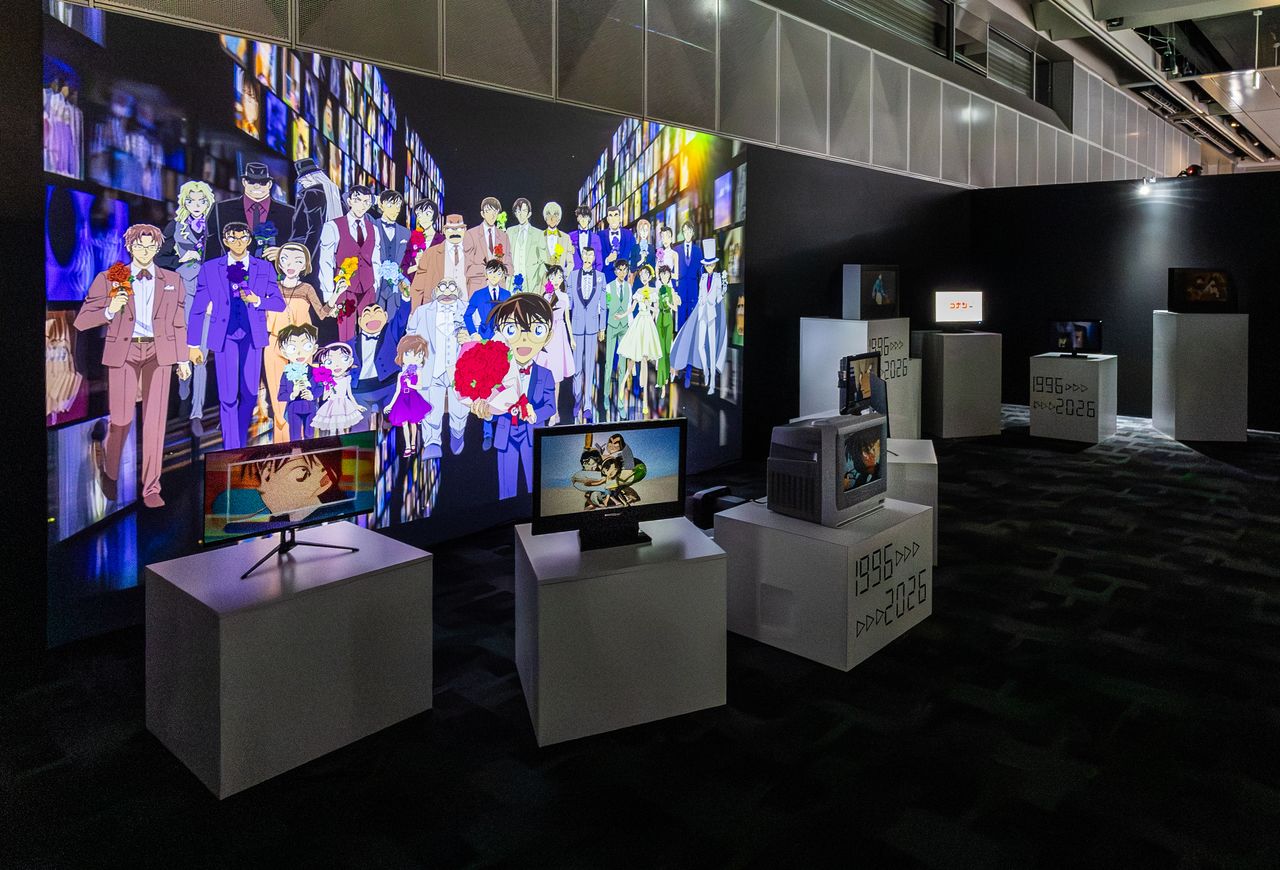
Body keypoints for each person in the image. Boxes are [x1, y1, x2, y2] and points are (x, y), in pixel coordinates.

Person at [73, 223, 191, 508]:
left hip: (159, 352)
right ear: (129, 247)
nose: (145, 251)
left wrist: (183, 357)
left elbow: (178, 323)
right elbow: (82, 320)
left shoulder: (173, 280)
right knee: (122, 419)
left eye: (151, 246)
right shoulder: (110, 278)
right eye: (139, 245)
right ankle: (110, 472)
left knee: (155, 422)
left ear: (158, 247)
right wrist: (109, 310)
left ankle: (151, 488)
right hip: (123, 351)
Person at [188, 221, 286, 450]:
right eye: (233, 238)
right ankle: (232, 448)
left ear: (249, 240)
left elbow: (279, 303)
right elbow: (198, 308)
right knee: (228, 396)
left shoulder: (264, 268)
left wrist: (258, 300)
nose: (238, 242)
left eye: (242, 238)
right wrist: (193, 344)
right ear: (225, 241)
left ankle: (239, 441)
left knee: (250, 394)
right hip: (225, 337)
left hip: (253, 336)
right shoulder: (210, 268)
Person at [468, 294, 557, 500]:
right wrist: (487, 413)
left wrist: (535, 413)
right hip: (505, 436)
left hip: (532, 437)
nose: (523, 339)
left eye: (536, 330)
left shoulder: (545, 374)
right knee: (506, 491)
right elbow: (494, 407)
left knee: (535, 490)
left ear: (548, 335)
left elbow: (551, 406)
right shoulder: (496, 373)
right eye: (511, 330)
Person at [158, 180, 214, 432]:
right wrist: (181, 258)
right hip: (181, 291)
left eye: (201, 201)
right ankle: (183, 392)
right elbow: (159, 258)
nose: (196, 205)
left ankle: (196, 413)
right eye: (191, 201)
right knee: (183, 350)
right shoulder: (175, 226)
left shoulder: (215, 227)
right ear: (184, 202)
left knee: (200, 353)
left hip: (207, 292)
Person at [264, 242, 331, 442]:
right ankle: (282, 444)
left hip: (303, 347)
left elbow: (322, 313)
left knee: (304, 394)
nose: (291, 265)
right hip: (275, 343)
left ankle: (305, 443)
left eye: (298, 261)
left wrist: (336, 295)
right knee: (279, 396)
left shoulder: (307, 289)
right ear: (279, 262)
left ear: (305, 265)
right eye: (285, 259)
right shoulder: (271, 287)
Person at [217, 441, 353, 535]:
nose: (262, 487)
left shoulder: (331, 516)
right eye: (263, 472)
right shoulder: (275, 518)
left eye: (301, 474)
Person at [405, 279, 470, 458]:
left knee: (460, 409)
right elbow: (410, 336)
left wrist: (470, 337)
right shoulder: (422, 312)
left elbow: (480, 333)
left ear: (458, 291)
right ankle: (432, 442)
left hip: (460, 371)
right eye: (442, 287)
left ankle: (458, 432)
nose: (447, 291)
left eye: (451, 287)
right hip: (431, 369)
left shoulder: (468, 310)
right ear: (435, 291)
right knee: (431, 409)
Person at [317, 185, 383, 341]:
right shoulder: (333, 226)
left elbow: (375, 259)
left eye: (366, 202)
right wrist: (329, 295)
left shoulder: (373, 229)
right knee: (346, 331)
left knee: (370, 327)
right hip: (344, 287)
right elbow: (325, 261)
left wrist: (375, 284)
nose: (362, 205)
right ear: (349, 201)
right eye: (358, 200)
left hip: (368, 286)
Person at [669, 239, 727, 395]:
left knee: (712, 349)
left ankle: (712, 383)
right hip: (701, 314)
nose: (709, 267)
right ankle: (706, 372)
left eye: (711, 265)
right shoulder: (702, 279)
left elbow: (718, 298)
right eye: (707, 265)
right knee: (700, 346)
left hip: (712, 315)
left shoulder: (717, 278)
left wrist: (724, 287)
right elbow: (701, 296)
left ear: (715, 265)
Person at [207, 162, 293, 261]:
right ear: (244, 182)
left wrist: (285, 253)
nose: (256, 186)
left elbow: (302, 245)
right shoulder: (221, 209)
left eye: (262, 182)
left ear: (269, 184)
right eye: (251, 182)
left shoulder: (289, 213)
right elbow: (211, 247)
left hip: (273, 269)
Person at [616, 265, 662, 416]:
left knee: (644, 360)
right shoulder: (638, 291)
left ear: (650, 276)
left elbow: (657, 310)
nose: (643, 277)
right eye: (641, 275)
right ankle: (623, 384)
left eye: (646, 274)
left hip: (647, 324)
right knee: (632, 358)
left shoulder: (654, 291)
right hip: (639, 322)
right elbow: (632, 308)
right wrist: (622, 316)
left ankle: (645, 401)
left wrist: (650, 307)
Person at [568, 245, 607, 423]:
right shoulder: (572, 275)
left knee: (590, 367)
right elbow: (569, 302)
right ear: (582, 256)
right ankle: (577, 399)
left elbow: (603, 305)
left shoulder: (601, 277)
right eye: (586, 254)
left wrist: (602, 328)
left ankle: (588, 405)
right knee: (577, 368)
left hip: (592, 327)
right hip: (576, 326)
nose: (588, 257)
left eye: (591, 255)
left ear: (594, 257)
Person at [535, 265, 575, 425]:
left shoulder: (564, 296)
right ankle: (544, 408)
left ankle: (555, 412)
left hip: (560, 335)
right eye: (553, 277)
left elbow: (567, 319)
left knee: (557, 376)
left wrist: (572, 338)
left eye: (559, 277)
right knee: (545, 374)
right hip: (547, 335)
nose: (556, 280)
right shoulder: (545, 296)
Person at [409, 213, 469, 310]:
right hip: (435, 309)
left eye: (458, 229)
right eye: (450, 229)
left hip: (466, 310)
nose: (455, 233)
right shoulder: (430, 254)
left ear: (465, 230)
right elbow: (418, 287)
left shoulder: (473, 252)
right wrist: (414, 312)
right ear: (444, 231)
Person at [385, 334, 432, 457]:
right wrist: (390, 405)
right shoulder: (401, 374)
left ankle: (413, 444)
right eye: (408, 354)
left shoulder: (418, 372)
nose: (413, 358)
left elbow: (420, 386)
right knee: (404, 423)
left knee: (413, 422)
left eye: (418, 355)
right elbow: (397, 391)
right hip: (402, 399)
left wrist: (411, 384)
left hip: (413, 398)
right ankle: (407, 446)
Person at [275, 323, 322, 441]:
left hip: (311, 407)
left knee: (310, 435)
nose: (300, 353)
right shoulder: (286, 374)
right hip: (293, 408)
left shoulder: (315, 371)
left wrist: (312, 395)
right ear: (284, 352)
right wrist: (293, 394)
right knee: (294, 437)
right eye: (292, 348)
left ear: (314, 348)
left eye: (306, 346)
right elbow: (280, 395)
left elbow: (321, 388)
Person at [312, 342, 366, 435]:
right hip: (331, 405)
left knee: (341, 429)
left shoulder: (346, 379)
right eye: (329, 362)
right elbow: (324, 397)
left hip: (344, 405)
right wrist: (329, 389)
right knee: (332, 430)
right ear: (323, 366)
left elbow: (350, 394)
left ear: (350, 362)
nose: (337, 365)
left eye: (343, 359)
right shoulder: (327, 381)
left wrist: (356, 405)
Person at [374, 190, 411, 317]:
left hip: (396, 289)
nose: (395, 209)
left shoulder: (406, 233)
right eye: (390, 205)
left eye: (398, 205)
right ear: (381, 205)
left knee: (393, 321)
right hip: (376, 285)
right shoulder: (371, 225)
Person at [463, 196, 512, 292]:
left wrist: (501, 271)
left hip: (499, 289)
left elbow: (510, 267)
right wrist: (490, 269)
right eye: (488, 211)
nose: (492, 215)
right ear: (482, 213)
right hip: (478, 288)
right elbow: (468, 269)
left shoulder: (504, 236)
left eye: (495, 212)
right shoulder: (471, 234)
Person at [603, 260, 633, 416]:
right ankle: (605, 396)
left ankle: (620, 401)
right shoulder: (609, 287)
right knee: (609, 364)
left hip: (624, 328)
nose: (622, 273)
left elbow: (629, 308)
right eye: (619, 270)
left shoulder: (629, 287)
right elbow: (606, 305)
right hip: (612, 326)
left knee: (622, 365)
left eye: (625, 270)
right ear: (615, 271)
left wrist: (631, 327)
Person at [507, 197, 544, 293]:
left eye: (524, 211)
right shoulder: (510, 231)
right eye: (518, 211)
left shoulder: (538, 234)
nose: (521, 214)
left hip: (531, 282)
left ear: (529, 213)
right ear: (515, 213)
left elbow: (543, 261)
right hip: (512, 282)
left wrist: (538, 281)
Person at [654, 263, 681, 391]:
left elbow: (675, 308)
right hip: (660, 319)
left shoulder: (672, 291)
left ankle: (667, 375)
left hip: (668, 319)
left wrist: (668, 304)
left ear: (670, 276)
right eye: (662, 275)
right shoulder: (658, 290)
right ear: (660, 276)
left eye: (666, 275)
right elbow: (656, 308)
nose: (664, 277)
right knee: (660, 350)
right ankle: (660, 380)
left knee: (667, 349)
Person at [600, 205, 636, 271]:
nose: (613, 219)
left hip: (625, 275)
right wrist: (607, 260)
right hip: (606, 276)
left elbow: (634, 256)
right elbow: (596, 259)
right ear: (607, 219)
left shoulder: (629, 235)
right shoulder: (599, 236)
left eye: (616, 215)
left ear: (620, 218)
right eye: (610, 215)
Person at [569, 205, 602, 272]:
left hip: (591, 274)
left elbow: (599, 262)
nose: (583, 220)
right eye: (581, 217)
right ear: (577, 218)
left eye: (586, 217)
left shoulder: (596, 238)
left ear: (589, 219)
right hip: (574, 273)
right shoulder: (570, 236)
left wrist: (595, 275)